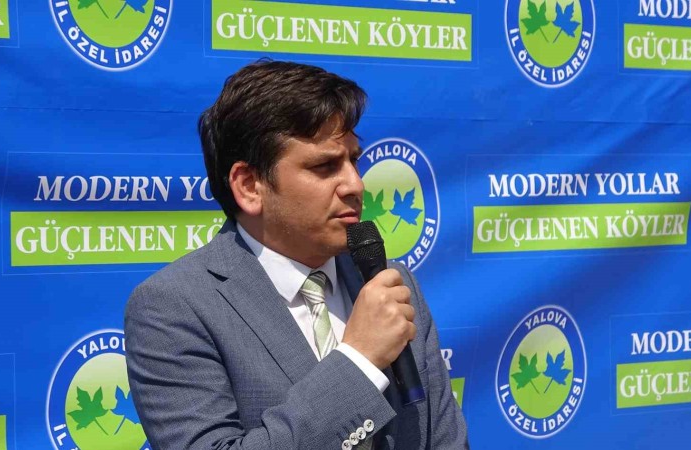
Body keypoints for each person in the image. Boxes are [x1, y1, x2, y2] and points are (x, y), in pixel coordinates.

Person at [124, 60, 469, 450]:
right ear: (249, 186)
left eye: (354, 160)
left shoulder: (390, 284)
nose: (355, 184)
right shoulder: (173, 306)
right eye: (325, 166)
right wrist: (359, 360)